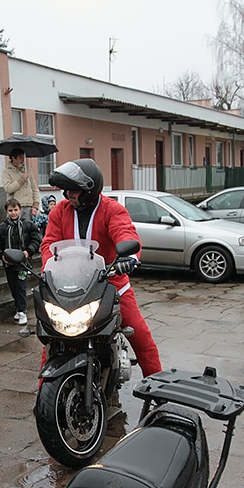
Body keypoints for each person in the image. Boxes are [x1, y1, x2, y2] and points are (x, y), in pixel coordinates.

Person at [41, 158, 163, 377]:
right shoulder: (60, 211)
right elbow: (49, 243)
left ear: (89, 190)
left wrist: (129, 256)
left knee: (141, 336)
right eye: (67, 190)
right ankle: (44, 392)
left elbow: (125, 232)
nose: (68, 195)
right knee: (52, 337)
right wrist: (47, 270)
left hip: (110, 282)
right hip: (70, 284)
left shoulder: (112, 209)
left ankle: (157, 386)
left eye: (73, 190)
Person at [0, 198, 41, 325]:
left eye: (15, 210)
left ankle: (22, 311)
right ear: (6, 211)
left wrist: (28, 251)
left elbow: (36, 240)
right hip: (9, 263)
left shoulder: (28, 225)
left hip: (23, 263)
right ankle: (18, 308)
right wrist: (1, 255)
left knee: (21, 286)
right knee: (13, 287)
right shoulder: (1, 228)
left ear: (20, 210)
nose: (13, 213)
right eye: (10, 210)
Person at [2, 148, 40, 221]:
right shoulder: (7, 172)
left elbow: (34, 189)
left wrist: (35, 205)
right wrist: (22, 179)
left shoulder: (27, 171)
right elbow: (8, 189)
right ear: (13, 158)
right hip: (14, 208)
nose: (23, 160)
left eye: (23, 157)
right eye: (20, 157)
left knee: (27, 230)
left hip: (29, 208)